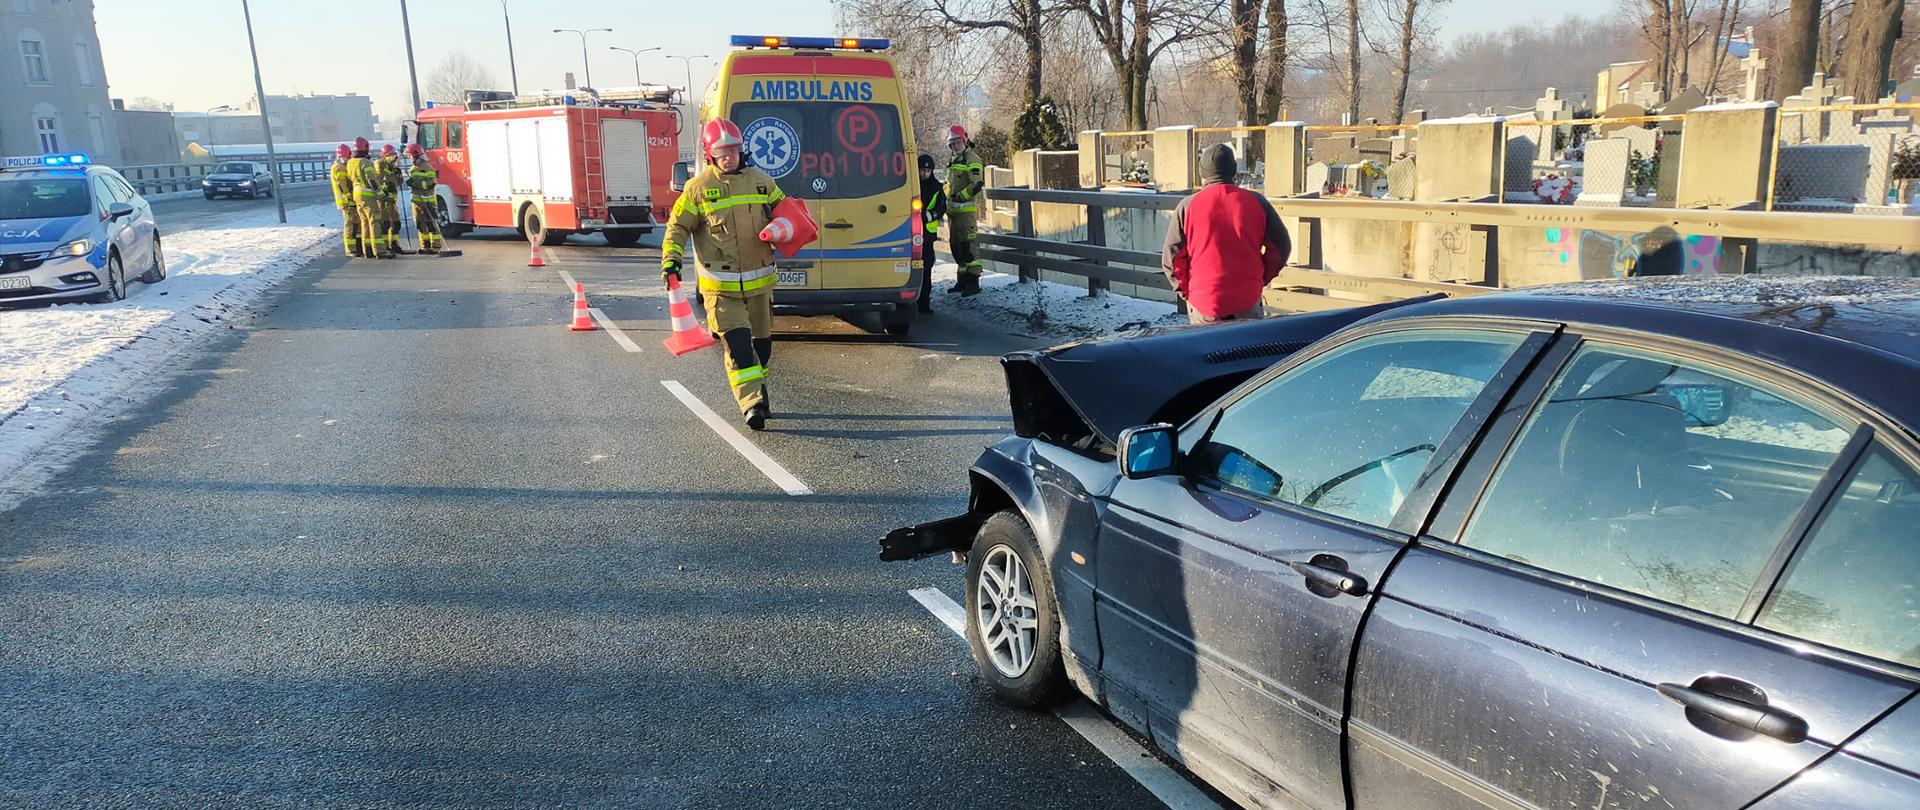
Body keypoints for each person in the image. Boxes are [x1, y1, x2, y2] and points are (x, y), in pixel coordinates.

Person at [662, 118, 785, 431]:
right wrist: (671, 260)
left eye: (733, 149)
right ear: (709, 154)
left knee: (762, 350)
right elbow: (677, 227)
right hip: (721, 290)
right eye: (721, 151)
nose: (728, 156)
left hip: (760, 286)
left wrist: (793, 230)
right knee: (740, 348)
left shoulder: (762, 182)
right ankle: (752, 404)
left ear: (741, 149)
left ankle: (758, 389)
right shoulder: (698, 188)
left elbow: (785, 210)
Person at [1161, 144, 1290, 324]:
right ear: (1234, 171)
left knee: (1208, 350)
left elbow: (1172, 259)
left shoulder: (1187, 206)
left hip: (1204, 302)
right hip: (1247, 298)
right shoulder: (1257, 202)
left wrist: (1187, 291)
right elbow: (1281, 248)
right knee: (1247, 350)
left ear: (1202, 173)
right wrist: (1260, 278)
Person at [943, 125, 984, 296]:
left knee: (969, 247)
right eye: (952, 144)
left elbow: (976, 185)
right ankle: (962, 281)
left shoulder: (972, 159)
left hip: (965, 213)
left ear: (964, 141)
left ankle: (973, 282)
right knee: (957, 247)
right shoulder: (953, 160)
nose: (955, 146)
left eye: (957, 142)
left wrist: (960, 197)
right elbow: (948, 184)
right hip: (953, 214)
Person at [345, 137, 388, 259]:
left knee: (364, 222)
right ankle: (379, 250)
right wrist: (380, 193)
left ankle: (367, 249)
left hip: (357, 195)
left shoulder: (350, 162)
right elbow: (372, 180)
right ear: (366, 148)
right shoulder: (365, 162)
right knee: (374, 221)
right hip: (368, 195)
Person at [916, 153, 945, 313]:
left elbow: (941, 207)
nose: (924, 174)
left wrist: (928, 216)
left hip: (927, 235)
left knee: (927, 268)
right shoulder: (912, 185)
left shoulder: (936, 187)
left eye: (928, 171)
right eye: (922, 170)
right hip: (911, 234)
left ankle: (924, 303)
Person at [405, 144, 443, 255]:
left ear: (416, 155)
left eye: (410, 155)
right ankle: (425, 246)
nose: (409, 158)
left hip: (427, 201)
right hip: (417, 202)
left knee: (431, 224)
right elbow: (412, 185)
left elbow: (431, 183)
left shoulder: (427, 167)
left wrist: (416, 184)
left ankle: (436, 246)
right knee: (420, 225)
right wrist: (410, 184)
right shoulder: (413, 168)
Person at [329, 144, 363, 259]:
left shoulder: (339, 166)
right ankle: (350, 249)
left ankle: (357, 247)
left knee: (355, 224)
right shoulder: (339, 168)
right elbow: (342, 185)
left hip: (348, 201)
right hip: (346, 202)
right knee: (350, 225)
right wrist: (349, 197)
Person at [376, 144, 403, 256]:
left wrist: (398, 173)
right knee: (385, 224)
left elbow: (399, 183)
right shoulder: (380, 164)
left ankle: (394, 244)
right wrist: (386, 187)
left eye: (394, 155)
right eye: (390, 155)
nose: (393, 158)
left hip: (393, 201)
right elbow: (377, 181)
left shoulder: (394, 166)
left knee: (396, 224)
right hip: (384, 200)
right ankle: (385, 246)